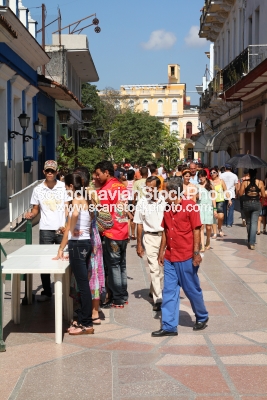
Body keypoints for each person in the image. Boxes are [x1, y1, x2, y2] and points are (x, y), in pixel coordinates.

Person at [151, 177, 208, 337]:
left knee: (191, 289)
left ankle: (202, 316)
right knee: (169, 291)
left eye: (165, 190)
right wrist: (162, 252)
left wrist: (196, 253)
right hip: (170, 256)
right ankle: (169, 326)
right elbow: (166, 231)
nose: (162, 193)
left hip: (186, 256)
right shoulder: (167, 208)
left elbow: (197, 230)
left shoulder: (190, 206)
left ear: (173, 192)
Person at [55, 173, 94, 335]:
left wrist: (69, 232)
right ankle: (85, 319)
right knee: (83, 283)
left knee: (83, 284)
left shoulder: (77, 199)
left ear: (71, 186)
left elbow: (75, 216)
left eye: (66, 188)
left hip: (78, 245)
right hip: (84, 243)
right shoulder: (86, 199)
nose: (66, 191)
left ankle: (86, 323)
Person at [25, 160, 69, 302]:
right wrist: (31, 214)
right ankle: (47, 291)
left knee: (65, 260)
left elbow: (67, 206)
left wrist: (67, 224)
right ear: (44, 172)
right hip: (45, 229)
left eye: (53, 171)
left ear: (57, 172)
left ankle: (67, 291)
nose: (50, 173)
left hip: (61, 229)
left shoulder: (63, 187)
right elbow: (36, 208)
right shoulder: (38, 189)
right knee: (45, 261)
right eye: (48, 171)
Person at [95, 160, 129, 308]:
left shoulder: (104, 191)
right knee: (121, 265)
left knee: (114, 265)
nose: (96, 177)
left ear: (106, 172)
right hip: (123, 231)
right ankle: (123, 295)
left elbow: (102, 214)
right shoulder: (121, 186)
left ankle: (118, 299)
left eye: (98, 174)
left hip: (111, 233)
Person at [134, 176, 166, 311]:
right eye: (147, 187)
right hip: (149, 237)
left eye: (151, 187)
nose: (149, 190)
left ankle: (153, 289)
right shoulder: (142, 202)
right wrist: (139, 244)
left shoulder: (165, 201)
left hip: (164, 237)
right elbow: (139, 224)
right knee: (154, 267)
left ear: (158, 187)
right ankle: (158, 298)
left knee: (161, 269)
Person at [239, 169, 265, 249]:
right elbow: (263, 195)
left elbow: (240, 193)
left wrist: (242, 183)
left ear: (249, 174)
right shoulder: (260, 182)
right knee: (254, 222)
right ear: (256, 173)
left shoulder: (245, 182)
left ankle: (250, 240)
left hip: (247, 203)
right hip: (256, 203)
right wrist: (262, 203)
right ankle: (252, 242)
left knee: (249, 222)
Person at [197, 169, 216, 252]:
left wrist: (215, 209)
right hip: (200, 207)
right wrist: (197, 195)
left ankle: (208, 240)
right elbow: (195, 198)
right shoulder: (196, 186)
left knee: (208, 227)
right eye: (199, 177)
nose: (201, 178)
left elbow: (213, 198)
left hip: (209, 207)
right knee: (201, 227)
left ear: (205, 176)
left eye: (202, 177)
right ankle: (202, 245)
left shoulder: (211, 185)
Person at [210, 166, 231, 238]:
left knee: (221, 216)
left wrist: (229, 199)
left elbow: (225, 190)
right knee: (213, 217)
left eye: (214, 172)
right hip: (212, 201)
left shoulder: (221, 181)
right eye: (211, 173)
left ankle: (219, 227)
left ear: (217, 173)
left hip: (220, 201)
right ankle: (215, 232)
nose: (212, 174)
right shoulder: (210, 182)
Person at [124, 169, 136, 240]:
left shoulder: (124, 182)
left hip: (127, 200)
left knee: (127, 218)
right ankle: (133, 234)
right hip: (133, 200)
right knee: (133, 218)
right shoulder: (135, 182)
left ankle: (127, 235)